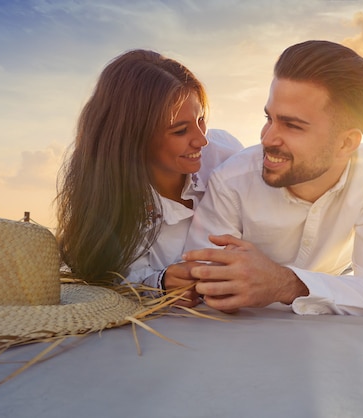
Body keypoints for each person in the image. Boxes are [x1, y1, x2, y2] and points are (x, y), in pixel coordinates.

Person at [182, 40, 363, 316]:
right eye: (269, 118)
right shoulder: (231, 181)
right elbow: (202, 280)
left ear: (346, 143)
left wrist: (286, 283)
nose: (267, 138)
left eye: (292, 125)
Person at [55, 49, 243, 307]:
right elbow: (109, 279)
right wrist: (162, 283)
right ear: (133, 138)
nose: (201, 139)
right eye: (180, 130)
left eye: (201, 120)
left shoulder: (227, 156)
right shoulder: (108, 203)